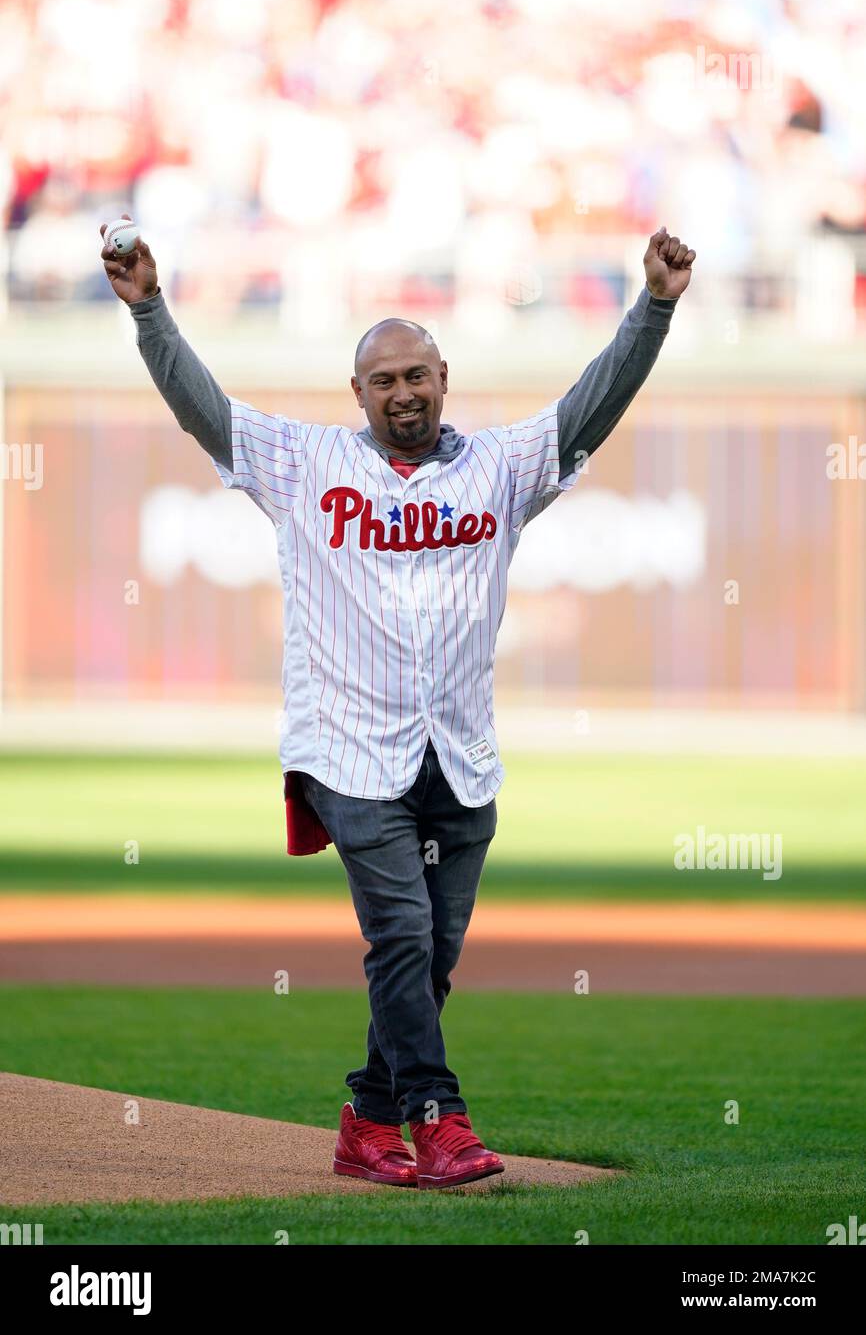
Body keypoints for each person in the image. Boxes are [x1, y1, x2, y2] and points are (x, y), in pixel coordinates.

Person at [99, 216, 695, 1190]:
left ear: (443, 376)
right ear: (358, 393)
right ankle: (439, 1120)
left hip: (458, 754)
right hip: (346, 751)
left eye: (415, 374)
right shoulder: (303, 463)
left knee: (430, 960)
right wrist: (151, 311)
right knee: (402, 938)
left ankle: (365, 1123)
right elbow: (201, 407)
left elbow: (592, 404)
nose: (402, 392)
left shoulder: (499, 467)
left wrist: (655, 308)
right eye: (382, 380)